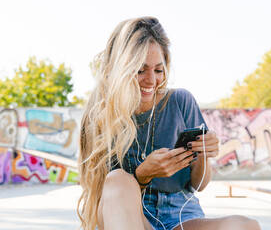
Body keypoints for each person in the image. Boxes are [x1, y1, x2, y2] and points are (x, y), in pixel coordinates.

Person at [78, 16, 261, 230]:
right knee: (118, 179)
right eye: (139, 70)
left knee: (246, 226)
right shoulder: (99, 115)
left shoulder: (181, 101)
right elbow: (105, 199)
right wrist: (143, 174)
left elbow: (199, 184)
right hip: (131, 215)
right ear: (121, 69)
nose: (151, 80)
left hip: (181, 215)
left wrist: (202, 153)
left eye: (158, 70)